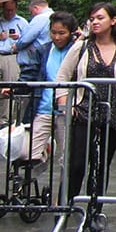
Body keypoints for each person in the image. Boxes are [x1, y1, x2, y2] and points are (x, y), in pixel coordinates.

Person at [55, 2, 116, 232]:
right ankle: (64, 209)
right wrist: (66, 104)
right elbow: (63, 77)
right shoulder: (81, 47)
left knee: (101, 166)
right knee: (76, 164)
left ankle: (95, 212)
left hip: (113, 117)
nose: (94, 22)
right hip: (83, 114)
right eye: (92, 18)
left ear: (113, 21)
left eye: (100, 18)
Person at [26, 11, 78, 175]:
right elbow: (31, 73)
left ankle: (63, 196)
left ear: (71, 33)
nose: (57, 37)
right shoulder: (44, 50)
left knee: (67, 157)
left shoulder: (78, 50)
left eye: (62, 33)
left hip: (67, 109)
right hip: (44, 107)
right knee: (29, 153)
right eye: (53, 32)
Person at [0, 0, 27, 125]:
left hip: (12, 56)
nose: (9, 12)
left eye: (12, 10)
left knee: (10, 87)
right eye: (7, 10)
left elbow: (28, 40)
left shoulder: (22, 22)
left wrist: (18, 38)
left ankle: (6, 118)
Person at [14, 0, 54, 83]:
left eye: (31, 12)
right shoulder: (53, 17)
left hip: (32, 61)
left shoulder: (40, 18)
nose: (31, 15)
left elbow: (26, 39)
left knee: (23, 90)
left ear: (35, 8)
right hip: (45, 58)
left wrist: (16, 46)